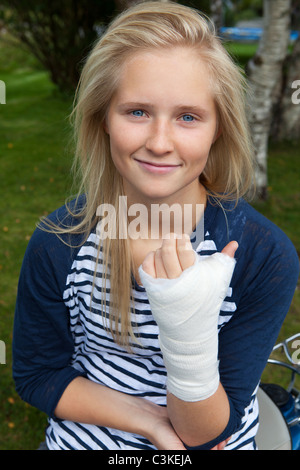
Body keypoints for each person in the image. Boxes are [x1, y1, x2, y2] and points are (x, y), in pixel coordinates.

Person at [13, 1, 299, 451]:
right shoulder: (61, 242)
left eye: (188, 117)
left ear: (218, 127)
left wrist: (187, 332)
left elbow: (204, 436)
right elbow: (38, 374)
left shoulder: (263, 255)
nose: (160, 143)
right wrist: (148, 420)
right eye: (137, 112)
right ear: (103, 117)